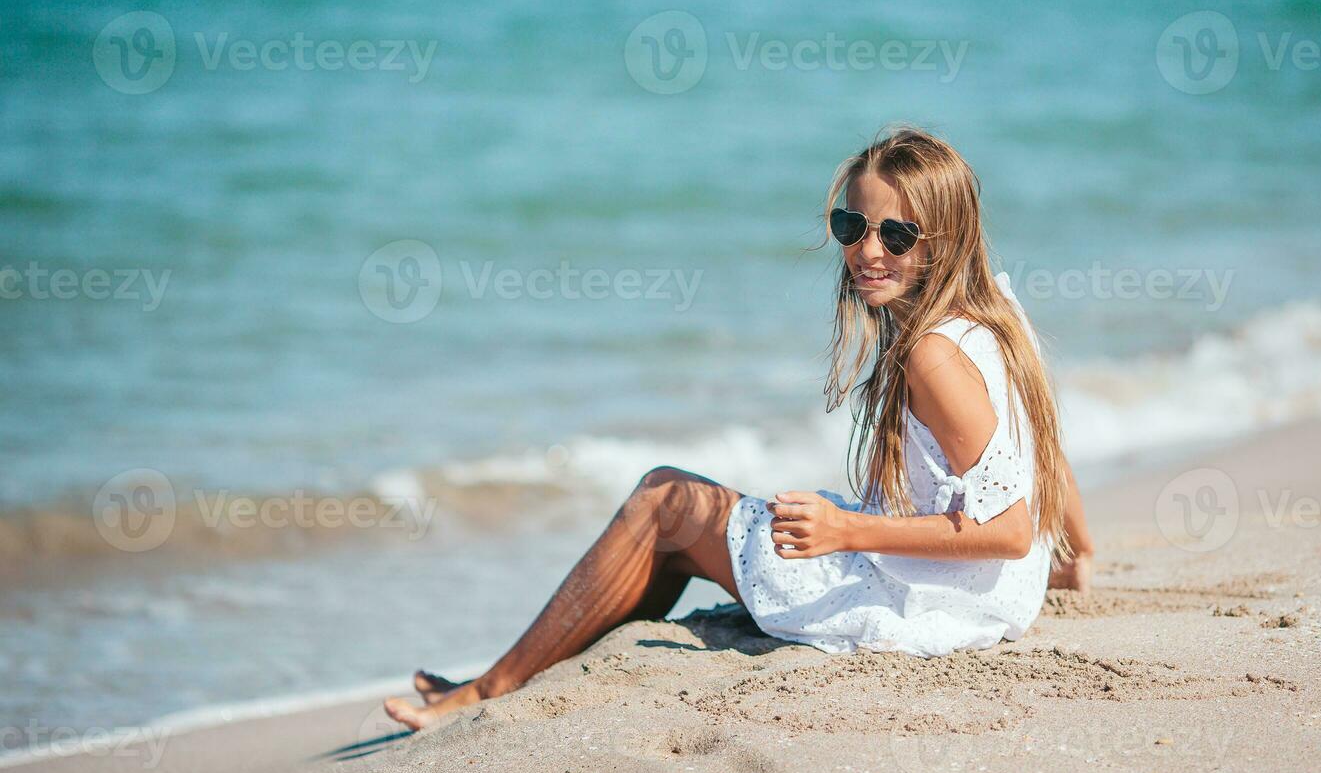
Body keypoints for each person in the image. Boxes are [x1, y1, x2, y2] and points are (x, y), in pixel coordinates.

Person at [384, 125, 1095, 732]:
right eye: (852, 226)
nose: (867, 251)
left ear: (943, 240)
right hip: (981, 590)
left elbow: (1009, 528)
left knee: (664, 501)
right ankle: (513, 674)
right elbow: (1042, 439)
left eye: (896, 234)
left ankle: (487, 691)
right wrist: (1077, 553)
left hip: (929, 599)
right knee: (684, 522)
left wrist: (848, 534)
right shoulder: (993, 305)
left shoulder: (934, 356)